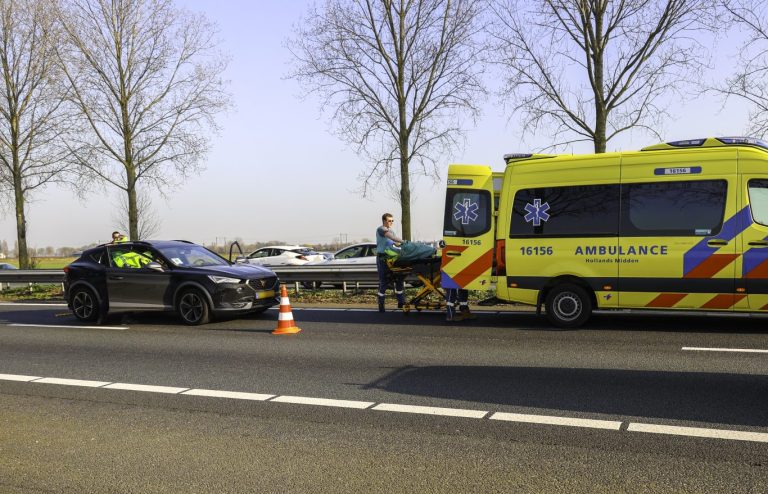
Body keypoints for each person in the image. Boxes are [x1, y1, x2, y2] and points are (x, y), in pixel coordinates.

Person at [376, 213, 405, 312]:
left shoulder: (391, 230)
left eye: (392, 221)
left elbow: (395, 243)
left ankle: (401, 302)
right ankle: (381, 304)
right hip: (382, 259)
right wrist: (404, 241)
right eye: (389, 221)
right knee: (384, 281)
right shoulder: (381, 229)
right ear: (384, 221)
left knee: (399, 279)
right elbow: (391, 238)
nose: (391, 222)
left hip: (392, 258)